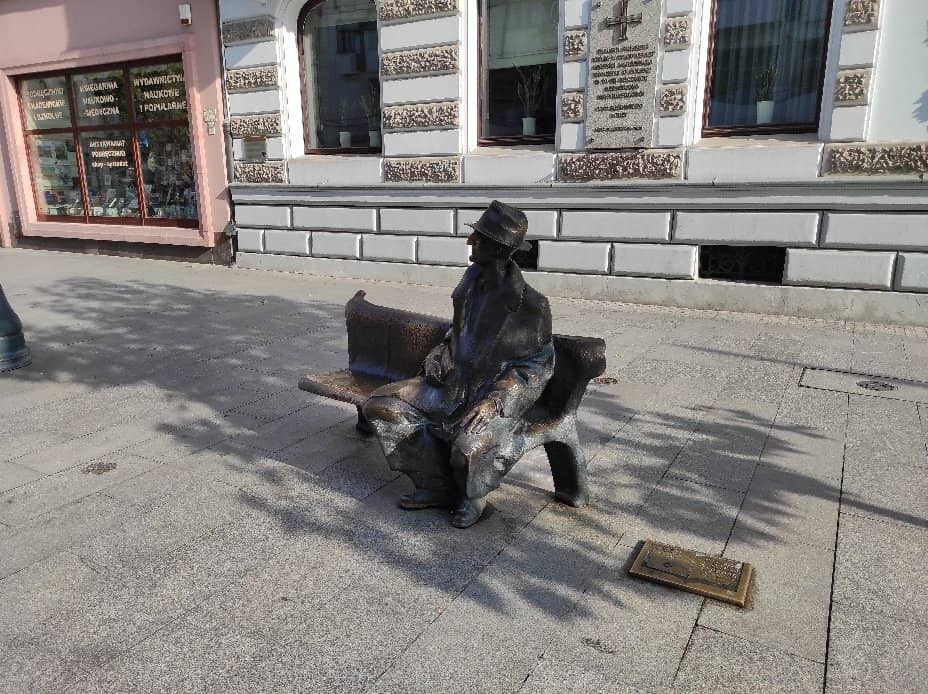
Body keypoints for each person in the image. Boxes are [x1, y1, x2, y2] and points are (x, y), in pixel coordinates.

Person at [362, 201, 555, 528]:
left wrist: (496, 401)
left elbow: (538, 363)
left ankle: (472, 496)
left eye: (478, 239)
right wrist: (441, 353)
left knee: (467, 445)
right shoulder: (471, 281)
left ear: (498, 249)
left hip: (491, 397)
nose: (470, 243)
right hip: (454, 384)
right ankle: (435, 485)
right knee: (382, 406)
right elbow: (459, 330)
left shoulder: (531, 306)